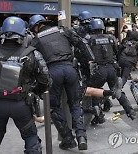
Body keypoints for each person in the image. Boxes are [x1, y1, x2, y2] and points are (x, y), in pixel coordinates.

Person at [29, 14, 92, 150]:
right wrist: (89, 62)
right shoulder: (62, 30)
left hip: (53, 72)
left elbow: (33, 61)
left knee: (54, 107)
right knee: (75, 104)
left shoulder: (36, 39)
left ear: (36, 26)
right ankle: (81, 135)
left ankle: (68, 139)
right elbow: (81, 43)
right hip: (70, 70)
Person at [0, 16, 52, 154]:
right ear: (24, 33)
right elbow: (45, 79)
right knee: (31, 137)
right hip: (21, 104)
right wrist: (36, 92)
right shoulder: (32, 53)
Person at [86, 18, 136, 124]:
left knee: (95, 92)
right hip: (112, 68)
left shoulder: (89, 39)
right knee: (117, 90)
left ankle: (99, 115)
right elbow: (116, 51)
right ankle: (130, 111)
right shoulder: (110, 37)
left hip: (98, 70)